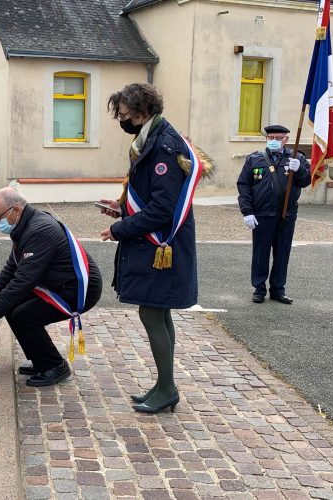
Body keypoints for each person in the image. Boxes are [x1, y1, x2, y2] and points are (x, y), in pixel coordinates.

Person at [99, 83, 210, 414]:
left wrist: (120, 228)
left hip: (162, 246)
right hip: (157, 244)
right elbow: (150, 196)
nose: (121, 121)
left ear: (141, 111)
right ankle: (164, 385)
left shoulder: (163, 145)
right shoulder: (152, 137)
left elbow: (163, 208)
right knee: (158, 311)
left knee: (152, 311)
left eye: (124, 115)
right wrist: (121, 207)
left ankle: (167, 388)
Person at [0, 187, 102, 387]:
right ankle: (41, 361)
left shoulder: (39, 231)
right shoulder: (25, 225)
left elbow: (22, 282)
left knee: (24, 316)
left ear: (16, 210)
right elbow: (12, 267)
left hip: (76, 289)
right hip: (57, 282)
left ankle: (54, 366)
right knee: (12, 308)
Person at [237, 124, 311, 304]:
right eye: (271, 138)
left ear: (286, 139)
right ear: (266, 139)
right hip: (262, 213)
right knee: (261, 253)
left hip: (286, 214)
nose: (274, 141)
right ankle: (259, 289)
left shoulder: (296, 158)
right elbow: (244, 185)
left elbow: (306, 181)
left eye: (279, 138)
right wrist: (247, 212)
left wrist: (299, 169)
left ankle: (278, 290)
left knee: (282, 253)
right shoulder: (254, 159)